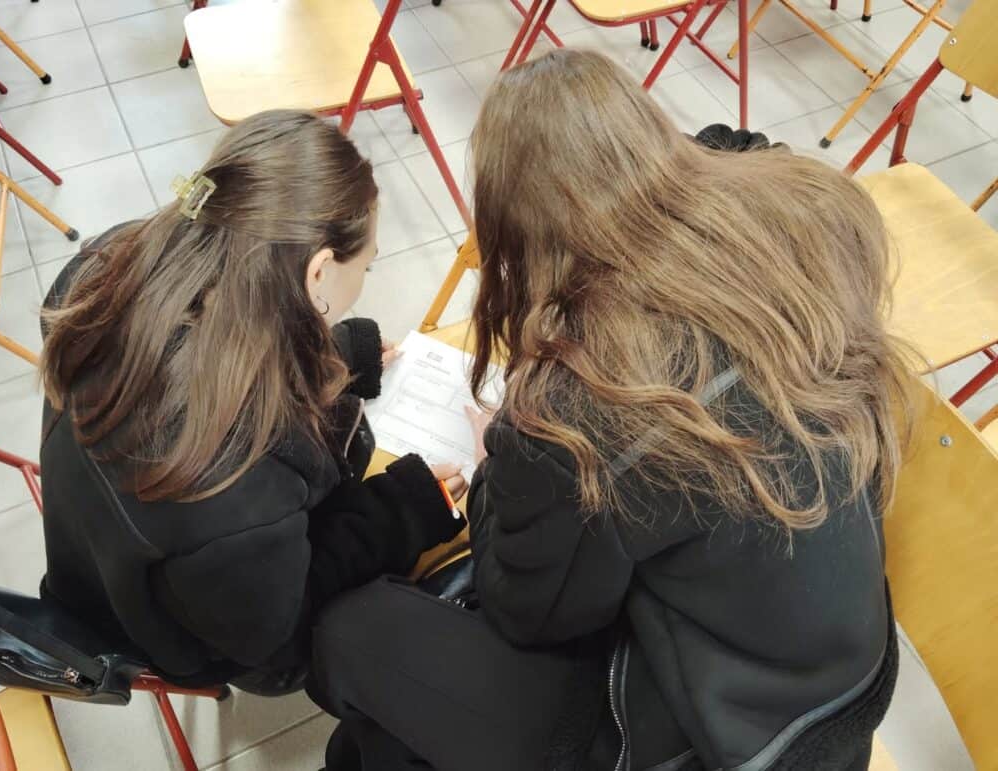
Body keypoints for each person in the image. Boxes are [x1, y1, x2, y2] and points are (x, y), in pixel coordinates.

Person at [308, 49, 915, 770]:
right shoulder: (806, 219)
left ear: (518, 236)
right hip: (831, 679)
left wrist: (496, 461)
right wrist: (638, 170)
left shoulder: (583, 409)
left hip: (726, 737)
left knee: (352, 638)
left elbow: (526, 608)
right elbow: (740, 145)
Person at [37, 110, 466, 694]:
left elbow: (209, 345)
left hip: (97, 559)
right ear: (318, 273)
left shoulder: (111, 261)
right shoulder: (234, 476)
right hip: (174, 631)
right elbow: (278, 640)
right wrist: (399, 513)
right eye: (367, 263)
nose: (366, 275)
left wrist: (335, 358)